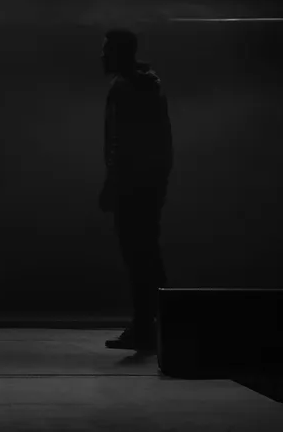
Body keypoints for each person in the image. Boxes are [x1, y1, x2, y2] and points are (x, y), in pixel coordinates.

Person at [97, 29, 173, 352]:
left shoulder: (124, 89)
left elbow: (121, 144)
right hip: (150, 184)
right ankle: (158, 323)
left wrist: (112, 184)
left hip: (132, 186)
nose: (101, 56)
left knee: (137, 255)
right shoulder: (149, 86)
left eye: (106, 50)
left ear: (118, 53)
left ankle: (144, 326)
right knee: (148, 254)